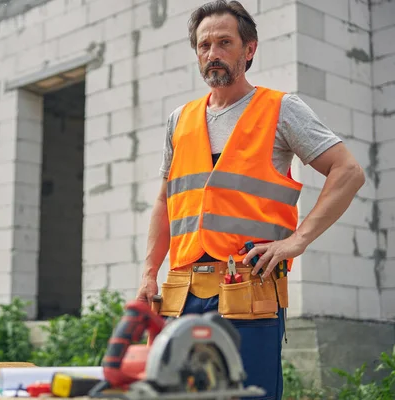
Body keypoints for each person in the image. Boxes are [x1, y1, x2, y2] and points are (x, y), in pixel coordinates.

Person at [135, 0, 366, 398]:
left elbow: (348, 172)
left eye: (225, 42)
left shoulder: (281, 109)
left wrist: (297, 240)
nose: (213, 54)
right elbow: (164, 200)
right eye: (204, 46)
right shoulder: (180, 120)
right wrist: (149, 270)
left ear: (250, 49)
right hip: (182, 293)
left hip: (250, 291)